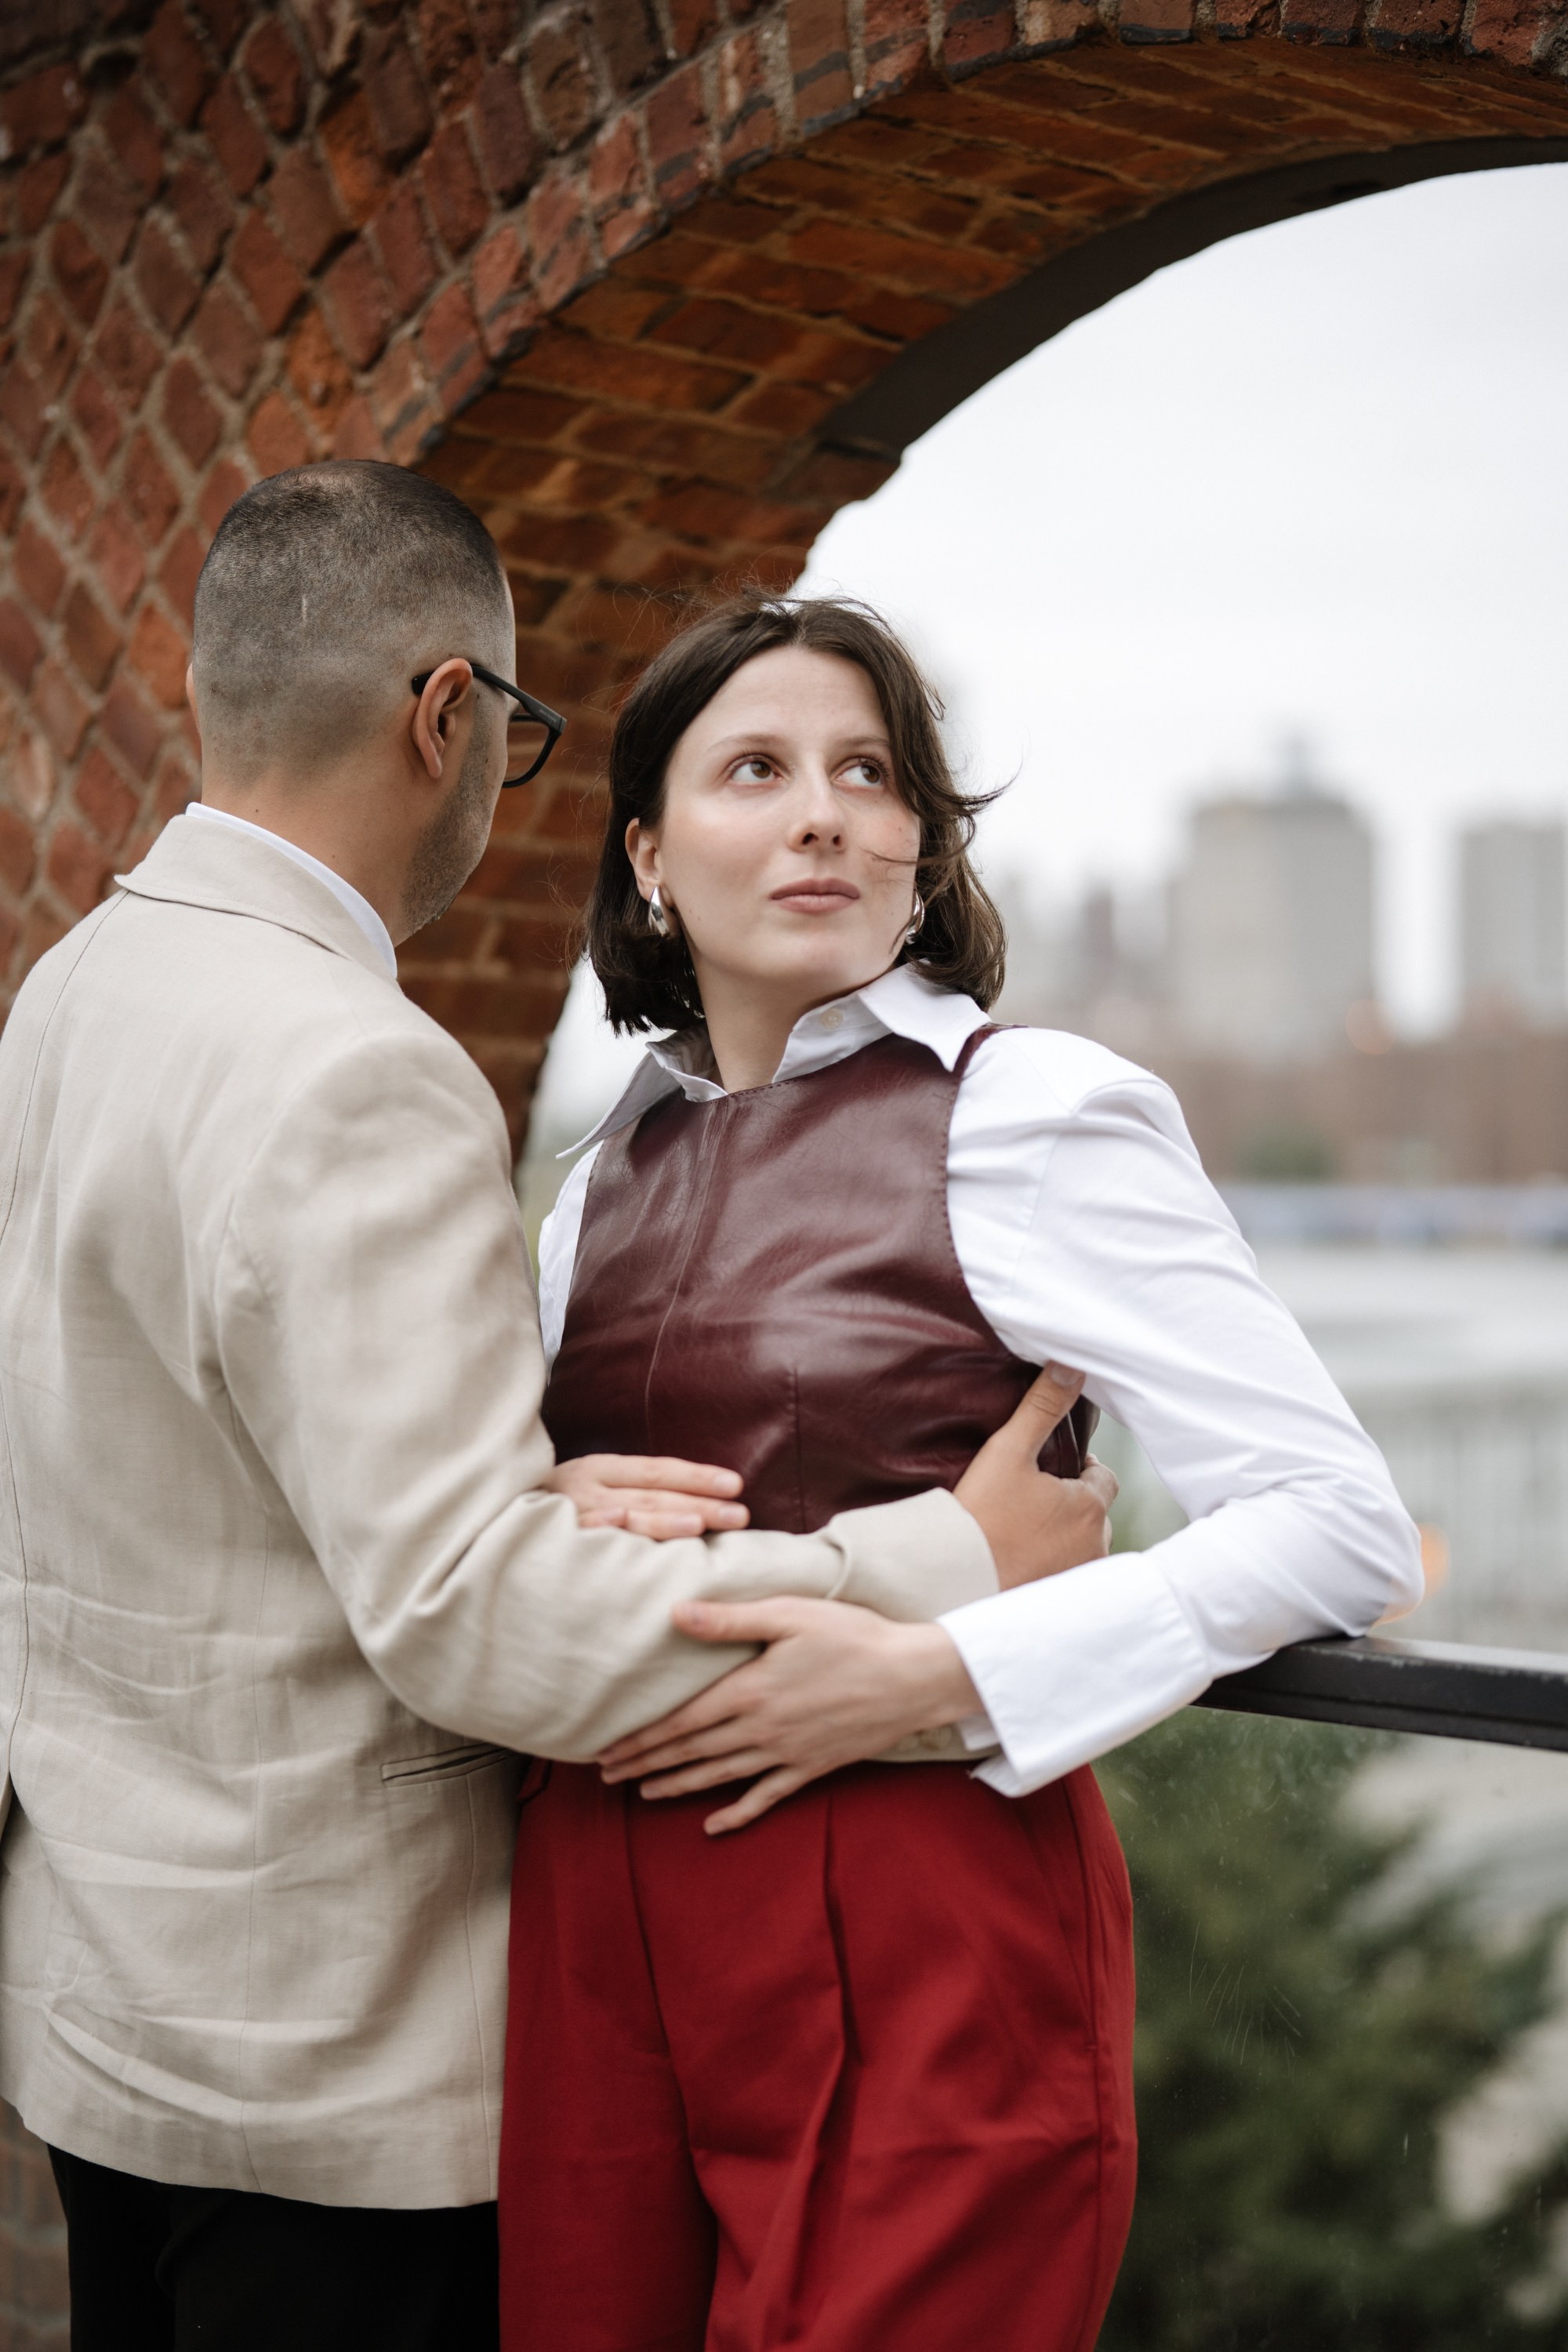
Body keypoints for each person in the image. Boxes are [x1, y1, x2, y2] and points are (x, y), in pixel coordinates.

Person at [0, 467, 1112, 2352]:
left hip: (110, 2014)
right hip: (339, 2086)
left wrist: (523, 1476)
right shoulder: (358, 1067)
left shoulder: (69, 995)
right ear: (448, 719)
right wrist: (938, 1562)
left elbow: (178, 1448)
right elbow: (471, 1617)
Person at [498, 593, 1425, 2351]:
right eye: (755, 769)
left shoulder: (1033, 1115)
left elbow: (1334, 1524)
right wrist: (538, 1505)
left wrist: (945, 1666)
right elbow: (490, 1521)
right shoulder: (603, 1171)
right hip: (593, 1936)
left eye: (870, 774)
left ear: (921, 854)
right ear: (647, 857)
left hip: (923, 1919)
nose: (824, 812)